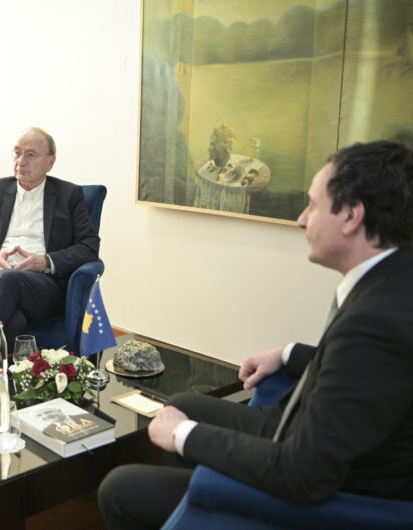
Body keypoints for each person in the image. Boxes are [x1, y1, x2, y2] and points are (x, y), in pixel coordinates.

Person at [98, 140, 413, 528]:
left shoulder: (377, 321)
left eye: (312, 205)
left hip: (335, 493)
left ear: (350, 216)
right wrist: (289, 353)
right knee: (182, 403)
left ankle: (212, 506)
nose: (301, 219)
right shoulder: (392, 280)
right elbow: (362, 372)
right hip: (315, 436)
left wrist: (183, 435)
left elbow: (302, 472)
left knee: (121, 489)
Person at [0, 127, 100, 366]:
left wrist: (46, 261)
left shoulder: (69, 195)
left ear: (50, 162)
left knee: (9, 279)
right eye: (17, 153)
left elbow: (90, 246)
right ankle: (11, 384)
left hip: (42, 286)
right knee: (14, 320)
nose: (20, 161)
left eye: (30, 155)